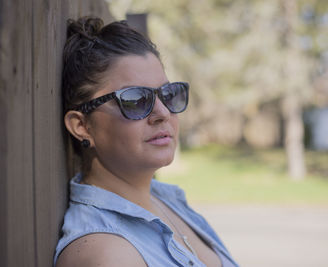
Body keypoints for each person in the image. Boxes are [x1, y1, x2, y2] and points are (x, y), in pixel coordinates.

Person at [54, 16, 238, 267]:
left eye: (167, 94)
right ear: (82, 126)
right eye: (135, 99)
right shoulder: (106, 254)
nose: (163, 113)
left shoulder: (166, 199)